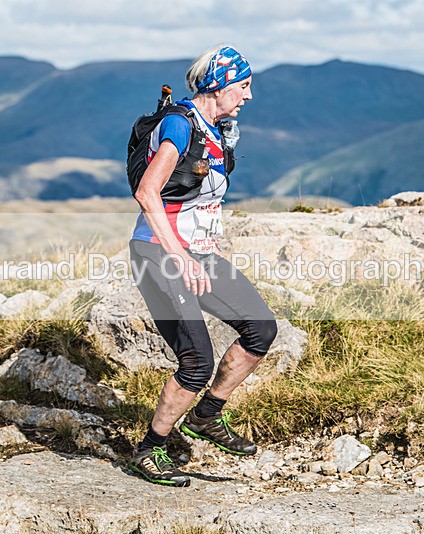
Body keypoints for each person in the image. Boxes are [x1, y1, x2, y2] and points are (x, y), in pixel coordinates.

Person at [127, 45, 278, 487]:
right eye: (245, 85)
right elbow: (148, 192)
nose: (249, 97)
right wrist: (179, 257)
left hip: (198, 253)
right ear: (219, 83)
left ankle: (206, 417)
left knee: (261, 329)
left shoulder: (218, 129)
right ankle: (149, 450)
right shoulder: (179, 123)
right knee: (196, 361)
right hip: (158, 252)